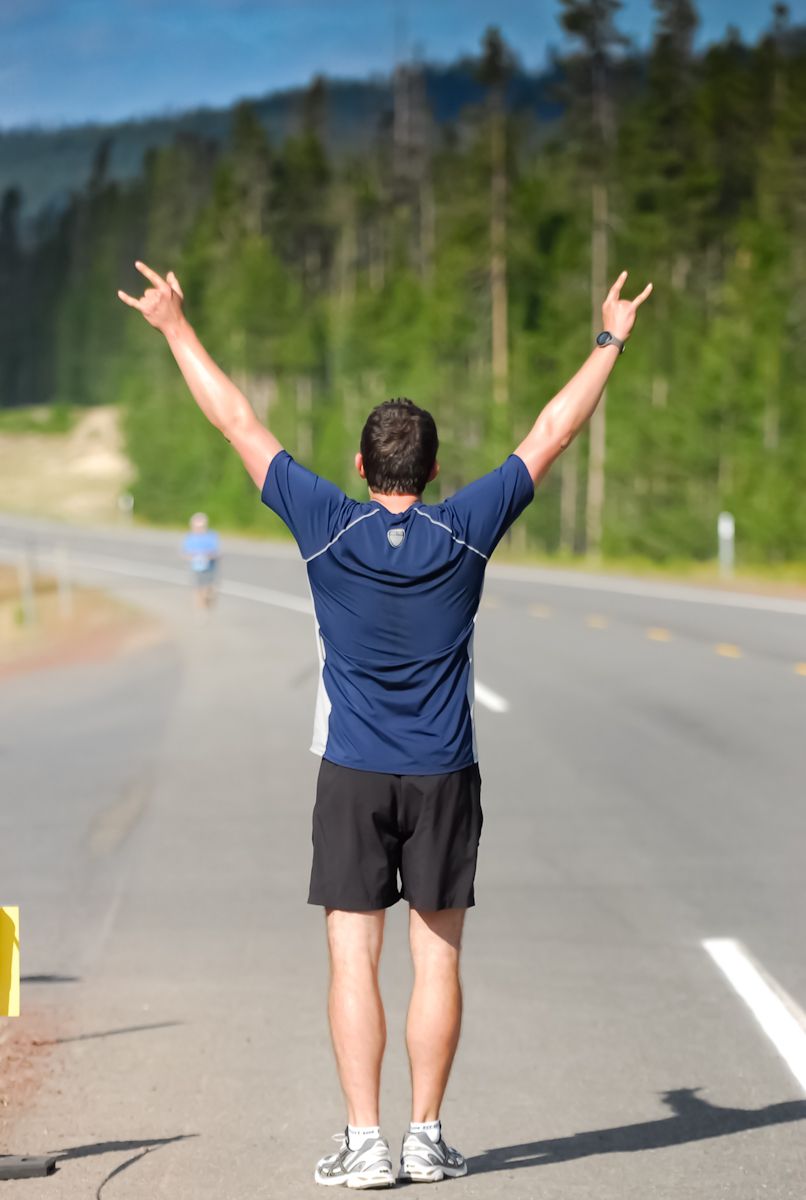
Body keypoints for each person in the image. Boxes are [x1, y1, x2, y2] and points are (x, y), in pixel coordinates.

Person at [118, 260, 652, 1188]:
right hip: (444, 770)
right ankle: (425, 1136)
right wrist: (607, 339)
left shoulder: (325, 521)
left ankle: (366, 1145)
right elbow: (554, 428)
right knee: (436, 959)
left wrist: (174, 329)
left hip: (354, 772)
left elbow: (236, 420)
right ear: (436, 469)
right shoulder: (468, 526)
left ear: (363, 469)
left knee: (351, 957)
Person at [181, 511, 220, 608]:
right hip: (195, 567)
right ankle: (200, 609)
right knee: (197, 589)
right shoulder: (189, 537)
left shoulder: (211, 536)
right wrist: (193, 557)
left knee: (208, 589)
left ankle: (208, 598)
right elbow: (184, 552)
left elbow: (217, 552)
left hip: (209, 567)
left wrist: (208, 556)